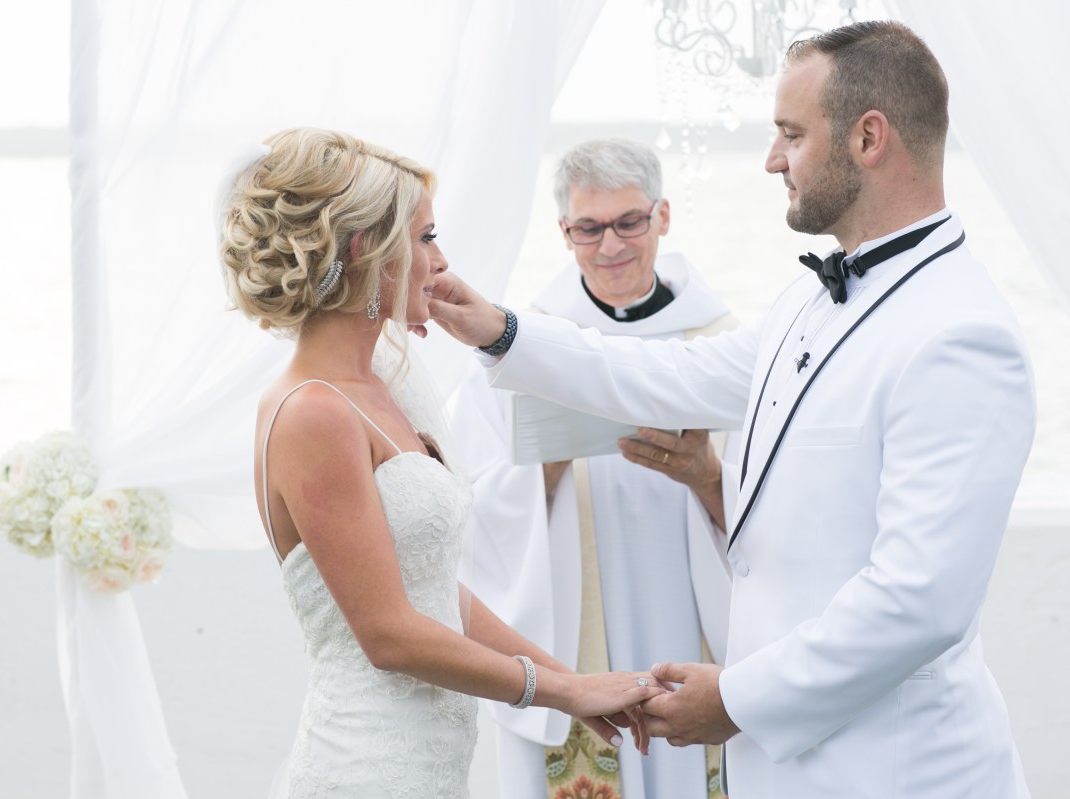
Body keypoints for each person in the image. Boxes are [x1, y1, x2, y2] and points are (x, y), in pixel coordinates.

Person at [428, 21, 1034, 799]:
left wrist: (737, 698)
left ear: (869, 138)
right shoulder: (807, 301)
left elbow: (919, 601)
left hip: (893, 771)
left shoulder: (960, 333)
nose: (772, 158)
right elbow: (667, 372)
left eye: (791, 134)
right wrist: (501, 330)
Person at [218, 128, 662, 798]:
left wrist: (572, 685)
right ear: (369, 251)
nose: (441, 259)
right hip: (365, 768)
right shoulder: (314, 411)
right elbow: (390, 635)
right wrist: (561, 690)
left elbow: (434, 591)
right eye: (425, 238)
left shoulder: (384, 382)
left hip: (430, 767)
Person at [451, 138, 736, 799]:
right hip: (573, 626)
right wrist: (544, 468)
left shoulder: (720, 344)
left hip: (695, 615)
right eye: (589, 228)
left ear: (663, 216)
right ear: (564, 231)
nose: (610, 245)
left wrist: (706, 475)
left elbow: (778, 504)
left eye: (629, 222)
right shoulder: (519, 348)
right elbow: (468, 512)